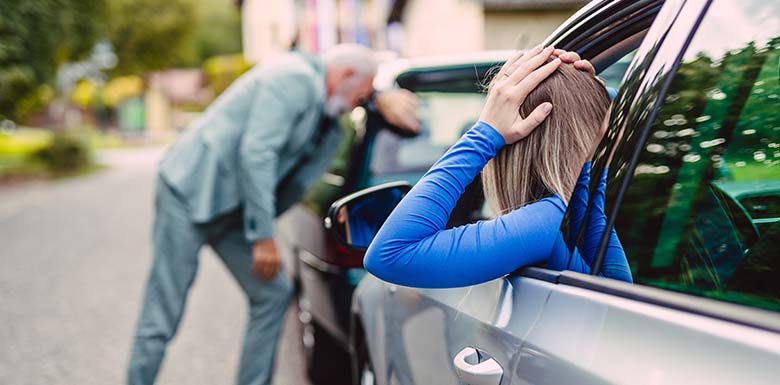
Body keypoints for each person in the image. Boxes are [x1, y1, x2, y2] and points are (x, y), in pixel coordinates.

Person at [127, 44, 419, 385]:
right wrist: (263, 237)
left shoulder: (330, 116)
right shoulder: (293, 79)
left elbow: (346, 107)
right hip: (189, 195)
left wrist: (378, 97)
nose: (361, 100)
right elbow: (257, 153)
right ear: (343, 76)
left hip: (232, 211)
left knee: (273, 293)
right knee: (163, 312)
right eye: (362, 92)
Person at [363, 46, 633, 288]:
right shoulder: (576, 215)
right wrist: (592, 96)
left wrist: (484, 135)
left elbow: (390, 254)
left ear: (511, 152)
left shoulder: (544, 225)